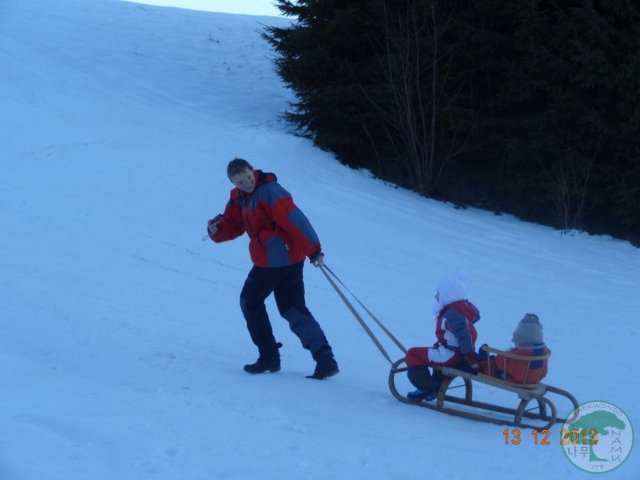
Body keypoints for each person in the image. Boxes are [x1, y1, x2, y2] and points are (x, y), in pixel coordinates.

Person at [207, 158, 339, 380]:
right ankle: (325, 358)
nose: (246, 183)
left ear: (253, 171)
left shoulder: (270, 191)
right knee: (291, 308)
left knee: (250, 301)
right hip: (287, 259)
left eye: (248, 177)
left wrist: (314, 250)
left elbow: (294, 218)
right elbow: (233, 224)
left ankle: (269, 356)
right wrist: (214, 229)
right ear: (233, 183)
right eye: (240, 182)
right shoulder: (239, 198)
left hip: (273, 260)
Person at [404, 273, 481, 401]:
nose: (436, 296)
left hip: (451, 355)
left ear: (448, 295)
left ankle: (426, 388)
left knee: (413, 354)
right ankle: (435, 384)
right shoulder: (459, 309)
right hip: (454, 353)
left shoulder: (453, 314)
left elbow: (464, 336)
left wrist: (469, 356)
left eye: (439, 293)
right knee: (433, 353)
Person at [479, 313, 550, 384]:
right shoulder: (544, 351)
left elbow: (500, 363)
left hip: (516, 379)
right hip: (534, 379)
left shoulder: (519, 354)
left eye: (516, 342)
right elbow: (544, 372)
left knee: (492, 367)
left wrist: (506, 353)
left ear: (521, 341)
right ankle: (487, 359)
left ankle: (483, 361)